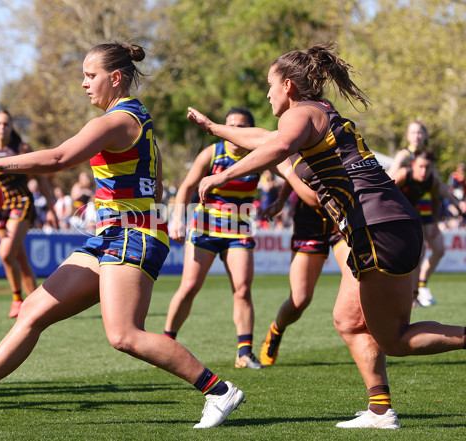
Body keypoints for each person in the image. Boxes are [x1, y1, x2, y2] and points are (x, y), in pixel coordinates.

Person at [0, 41, 244, 429]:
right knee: (34, 309)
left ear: (116, 77)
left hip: (131, 235)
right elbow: (150, 187)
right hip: (116, 234)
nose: (85, 84)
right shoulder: (135, 117)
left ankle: (219, 391)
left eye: (91, 76)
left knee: (124, 335)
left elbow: (58, 158)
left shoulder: (116, 121)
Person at [188, 41, 466, 429]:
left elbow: (279, 145)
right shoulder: (315, 113)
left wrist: (221, 175)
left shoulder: (300, 115)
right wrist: (217, 129)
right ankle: (381, 411)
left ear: (288, 85)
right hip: (389, 224)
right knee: (348, 320)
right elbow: (270, 139)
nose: (266, 93)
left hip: (375, 228)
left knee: (394, 340)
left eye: (270, 84)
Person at [164, 107, 264, 369]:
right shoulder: (212, 153)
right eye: (230, 125)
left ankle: (244, 352)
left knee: (242, 289)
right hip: (205, 228)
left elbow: (290, 171)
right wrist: (177, 219)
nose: (234, 131)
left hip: (239, 230)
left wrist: (288, 194)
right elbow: (185, 188)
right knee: (189, 287)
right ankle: (166, 344)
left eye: (242, 127)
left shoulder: (260, 154)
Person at [259, 158, 348, 366]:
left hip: (342, 223)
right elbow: (315, 199)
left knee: (358, 282)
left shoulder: (339, 139)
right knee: (299, 301)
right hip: (309, 227)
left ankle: (369, 338)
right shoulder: (300, 142)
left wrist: (288, 173)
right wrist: (281, 200)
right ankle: (276, 330)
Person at [0, 110, 58, 317]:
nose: (2, 127)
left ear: (11, 126)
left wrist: (51, 209)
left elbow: (41, 180)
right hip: (0, 208)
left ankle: (17, 299)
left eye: (6, 124)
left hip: (21, 202)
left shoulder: (22, 148)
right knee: (19, 257)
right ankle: (36, 304)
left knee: (5, 253)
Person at [393, 149, 466, 306]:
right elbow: (384, 192)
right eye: (421, 166)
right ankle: (412, 294)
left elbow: (435, 201)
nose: (424, 171)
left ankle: (420, 287)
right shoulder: (402, 175)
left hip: (421, 213)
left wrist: (433, 223)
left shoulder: (432, 181)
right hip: (400, 215)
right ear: (413, 164)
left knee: (438, 249)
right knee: (418, 253)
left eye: (428, 167)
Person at [387, 121, 440, 306]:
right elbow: (390, 179)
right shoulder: (404, 156)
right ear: (408, 136)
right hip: (405, 207)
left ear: (424, 135)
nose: (417, 136)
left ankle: (420, 287)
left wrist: (455, 204)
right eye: (413, 132)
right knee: (418, 251)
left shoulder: (427, 157)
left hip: (423, 205)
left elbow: (437, 185)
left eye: (420, 132)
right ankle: (413, 291)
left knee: (435, 248)